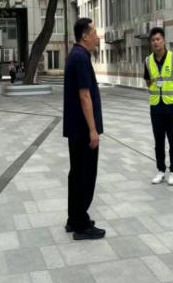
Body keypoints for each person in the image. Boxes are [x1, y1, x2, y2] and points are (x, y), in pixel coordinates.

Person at [63, 18, 105, 240]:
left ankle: (75, 218)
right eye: (94, 32)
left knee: (77, 173)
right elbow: (84, 96)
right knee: (84, 175)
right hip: (82, 130)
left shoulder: (77, 55)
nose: (97, 37)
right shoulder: (80, 58)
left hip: (77, 129)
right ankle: (80, 224)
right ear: (85, 36)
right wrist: (93, 130)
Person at [144, 27, 173, 185]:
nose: (155, 42)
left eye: (158, 39)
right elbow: (148, 81)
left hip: (171, 106)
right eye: (153, 40)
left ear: (164, 41)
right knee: (158, 141)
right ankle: (161, 170)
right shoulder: (148, 61)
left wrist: (172, 93)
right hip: (156, 107)